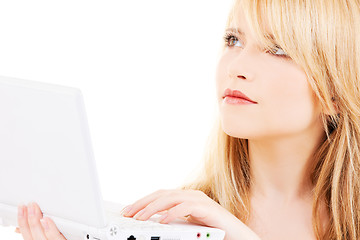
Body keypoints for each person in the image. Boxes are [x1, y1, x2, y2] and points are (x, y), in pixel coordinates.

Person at [15, 0, 360, 239]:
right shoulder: (177, 221)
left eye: (278, 49)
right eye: (233, 40)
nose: (236, 67)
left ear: (333, 91)